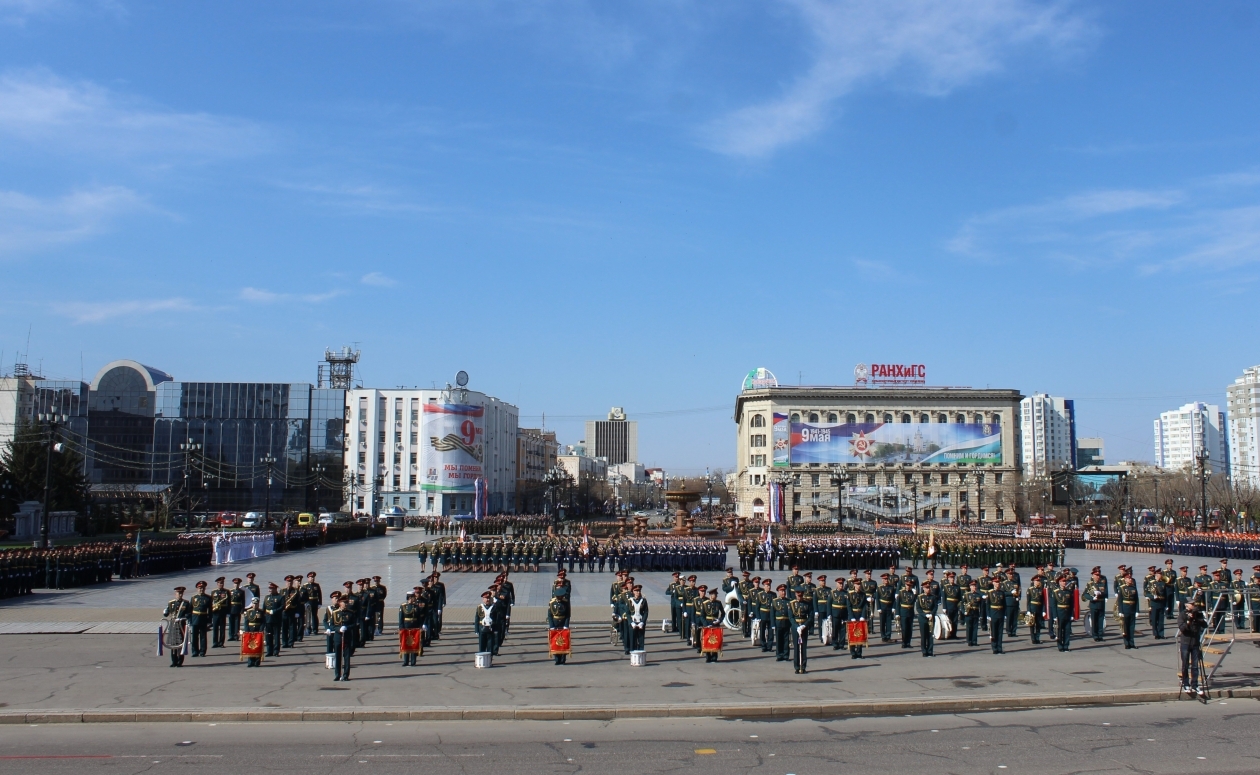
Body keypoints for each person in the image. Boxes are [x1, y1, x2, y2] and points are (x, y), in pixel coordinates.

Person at [1178, 600, 1208, 698]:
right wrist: (1189, 621)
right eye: (1192, 604)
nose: (1194, 605)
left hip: (1195, 642)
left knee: (1195, 666)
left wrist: (1200, 619)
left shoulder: (1198, 613)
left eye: (1194, 604)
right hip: (1186, 643)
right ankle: (1186, 684)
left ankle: (1195, 684)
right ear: (1187, 605)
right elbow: (1183, 629)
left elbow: (1205, 625)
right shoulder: (1182, 614)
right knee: (1185, 664)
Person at [324, 594, 353, 681]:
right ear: (340, 603)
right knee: (338, 656)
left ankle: (346, 675)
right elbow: (332, 625)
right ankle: (337, 674)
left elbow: (354, 624)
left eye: (346, 602)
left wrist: (347, 627)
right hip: (338, 637)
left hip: (347, 637)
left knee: (347, 657)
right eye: (344, 602)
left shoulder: (350, 613)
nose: (346, 604)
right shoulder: (335, 613)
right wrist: (338, 629)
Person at [162, 586, 191, 668]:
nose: (180, 595)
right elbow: (167, 613)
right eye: (179, 593)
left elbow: (189, 614)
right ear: (175, 594)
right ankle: (173, 661)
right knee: (173, 644)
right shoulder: (171, 603)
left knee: (181, 643)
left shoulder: (186, 603)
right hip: (173, 625)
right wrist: (165, 612)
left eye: (181, 593)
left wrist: (182, 618)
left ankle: (180, 661)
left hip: (181, 625)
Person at [789, 587, 813, 673]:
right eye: (798, 595)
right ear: (795, 594)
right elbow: (791, 617)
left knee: (803, 647)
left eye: (801, 595)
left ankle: (803, 666)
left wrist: (804, 625)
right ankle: (796, 667)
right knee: (796, 647)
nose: (800, 597)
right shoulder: (792, 604)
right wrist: (796, 626)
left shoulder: (807, 603)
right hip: (796, 628)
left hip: (804, 627)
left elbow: (810, 616)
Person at [915, 579, 938, 657]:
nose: (928, 589)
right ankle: (924, 651)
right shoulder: (920, 597)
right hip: (923, 617)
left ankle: (930, 651)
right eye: (926, 588)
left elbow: (935, 606)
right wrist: (925, 615)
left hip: (931, 617)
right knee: (924, 635)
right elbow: (918, 608)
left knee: (930, 635)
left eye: (929, 588)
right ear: (923, 588)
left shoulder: (933, 597)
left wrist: (932, 614)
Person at [188, 580, 212, 657]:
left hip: (203, 618)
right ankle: (195, 651)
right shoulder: (193, 598)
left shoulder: (208, 598)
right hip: (195, 618)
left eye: (203, 588)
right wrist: (190, 620)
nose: (201, 590)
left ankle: (202, 651)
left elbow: (210, 610)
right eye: (200, 588)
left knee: (203, 636)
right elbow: (190, 610)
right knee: (194, 636)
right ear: (197, 589)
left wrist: (209, 621)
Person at [398, 593, 422, 666]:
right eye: (413, 597)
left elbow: (419, 618)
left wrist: (420, 627)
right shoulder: (403, 606)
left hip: (414, 627)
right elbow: (401, 618)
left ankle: (413, 661)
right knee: (406, 644)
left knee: (414, 643)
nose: (414, 598)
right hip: (406, 627)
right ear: (409, 598)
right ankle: (406, 661)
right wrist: (401, 628)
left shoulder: (416, 606)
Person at [262, 582, 285, 657]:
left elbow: (282, 607)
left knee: (276, 636)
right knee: (268, 636)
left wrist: (275, 611)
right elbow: (264, 608)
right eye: (270, 589)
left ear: (275, 589)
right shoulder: (266, 597)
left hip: (276, 619)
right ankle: (269, 651)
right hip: (268, 619)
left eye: (272, 589)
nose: (270, 590)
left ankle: (276, 651)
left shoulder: (280, 597)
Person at [240, 598, 264, 668]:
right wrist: (247, 631)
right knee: (250, 646)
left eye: (256, 604)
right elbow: (246, 622)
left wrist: (261, 630)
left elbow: (263, 622)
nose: (255, 605)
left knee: (257, 646)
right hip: (250, 629)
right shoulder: (248, 612)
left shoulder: (261, 612)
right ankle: (250, 662)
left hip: (258, 629)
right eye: (254, 603)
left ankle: (257, 662)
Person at [1052, 576, 1074, 652]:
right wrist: (1055, 616)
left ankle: (1066, 645)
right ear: (1059, 582)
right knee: (1059, 631)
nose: (1064, 583)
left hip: (1067, 613)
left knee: (1067, 631)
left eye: (1065, 581)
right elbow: (1053, 605)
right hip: (1059, 613)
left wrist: (1072, 614)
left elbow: (1072, 605)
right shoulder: (1056, 592)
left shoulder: (1069, 592)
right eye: (1062, 581)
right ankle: (1060, 646)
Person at [1118, 575, 1140, 649]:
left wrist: (1137, 610)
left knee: (1131, 627)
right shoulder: (1122, 588)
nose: (1130, 579)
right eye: (1128, 578)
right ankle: (1126, 643)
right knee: (1126, 628)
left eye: (1130, 578)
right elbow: (1120, 600)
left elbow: (1137, 600)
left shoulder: (1133, 588)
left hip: (1132, 609)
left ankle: (1132, 643)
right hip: (1125, 609)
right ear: (1125, 579)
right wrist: (1120, 611)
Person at [548, 593, 570, 665]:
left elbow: (567, 615)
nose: (559, 598)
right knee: (555, 642)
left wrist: (566, 625)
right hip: (555, 624)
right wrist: (551, 626)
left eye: (560, 596)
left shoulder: (565, 603)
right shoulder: (552, 603)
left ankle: (563, 659)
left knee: (564, 642)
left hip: (563, 624)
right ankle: (557, 659)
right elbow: (550, 615)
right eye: (558, 596)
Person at [771, 584, 791, 661]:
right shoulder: (775, 601)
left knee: (786, 640)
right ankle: (779, 655)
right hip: (778, 622)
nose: (783, 592)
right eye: (781, 591)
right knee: (779, 640)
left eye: (784, 591)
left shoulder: (789, 601)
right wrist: (773, 624)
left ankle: (786, 655)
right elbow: (772, 614)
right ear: (779, 592)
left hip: (786, 622)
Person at [209, 577, 231, 649]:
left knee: (222, 628)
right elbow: (211, 602)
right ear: (217, 584)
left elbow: (229, 602)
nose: (221, 585)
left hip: (222, 611)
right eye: (219, 583)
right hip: (215, 612)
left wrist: (228, 612)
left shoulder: (226, 592)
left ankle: (221, 642)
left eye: (222, 583)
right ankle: (215, 642)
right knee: (215, 628)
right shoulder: (213, 592)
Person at [626, 585, 648, 654]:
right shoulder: (630, 601)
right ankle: (633, 655)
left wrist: (643, 622)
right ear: (633, 592)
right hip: (633, 623)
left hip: (640, 622)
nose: (638, 592)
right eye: (636, 591)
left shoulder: (643, 600)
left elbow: (646, 612)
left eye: (639, 591)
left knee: (641, 640)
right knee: (633, 640)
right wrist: (631, 622)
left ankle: (641, 654)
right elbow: (628, 613)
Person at [897, 577, 917, 649]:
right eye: (907, 585)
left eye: (910, 586)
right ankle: (904, 642)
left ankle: (908, 642)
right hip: (903, 612)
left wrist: (915, 595)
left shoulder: (912, 593)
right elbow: (898, 603)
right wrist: (897, 613)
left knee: (910, 628)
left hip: (910, 612)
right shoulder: (901, 592)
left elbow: (914, 602)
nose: (908, 587)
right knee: (904, 628)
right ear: (905, 585)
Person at [964, 580, 984, 647]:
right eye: (972, 586)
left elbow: (981, 606)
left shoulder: (979, 595)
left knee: (975, 627)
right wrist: (964, 611)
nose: (974, 587)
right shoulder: (966, 595)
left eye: (975, 586)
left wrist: (981, 615)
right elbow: (961, 604)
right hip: (969, 612)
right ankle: (969, 641)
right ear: (970, 587)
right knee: (969, 627)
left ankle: (974, 641)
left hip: (976, 612)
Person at [1027, 576, 1045, 644]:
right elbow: (1028, 601)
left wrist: (1043, 610)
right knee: (1032, 624)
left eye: (1039, 581)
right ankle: (1033, 638)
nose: (1038, 582)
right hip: (1032, 608)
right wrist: (1028, 610)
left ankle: (1037, 638)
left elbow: (1043, 601)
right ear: (1034, 582)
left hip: (1039, 609)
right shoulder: (1030, 589)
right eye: (1036, 581)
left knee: (1038, 624)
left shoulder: (1041, 590)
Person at [227, 578, 245, 642]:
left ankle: (236, 636)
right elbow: (228, 601)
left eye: (237, 584)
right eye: (235, 584)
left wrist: (242, 610)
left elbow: (243, 601)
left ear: (239, 584)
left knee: (237, 623)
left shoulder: (241, 592)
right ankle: (231, 636)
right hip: (231, 608)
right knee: (231, 623)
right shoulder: (230, 591)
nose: (236, 585)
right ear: (233, 584)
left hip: (238, 608)